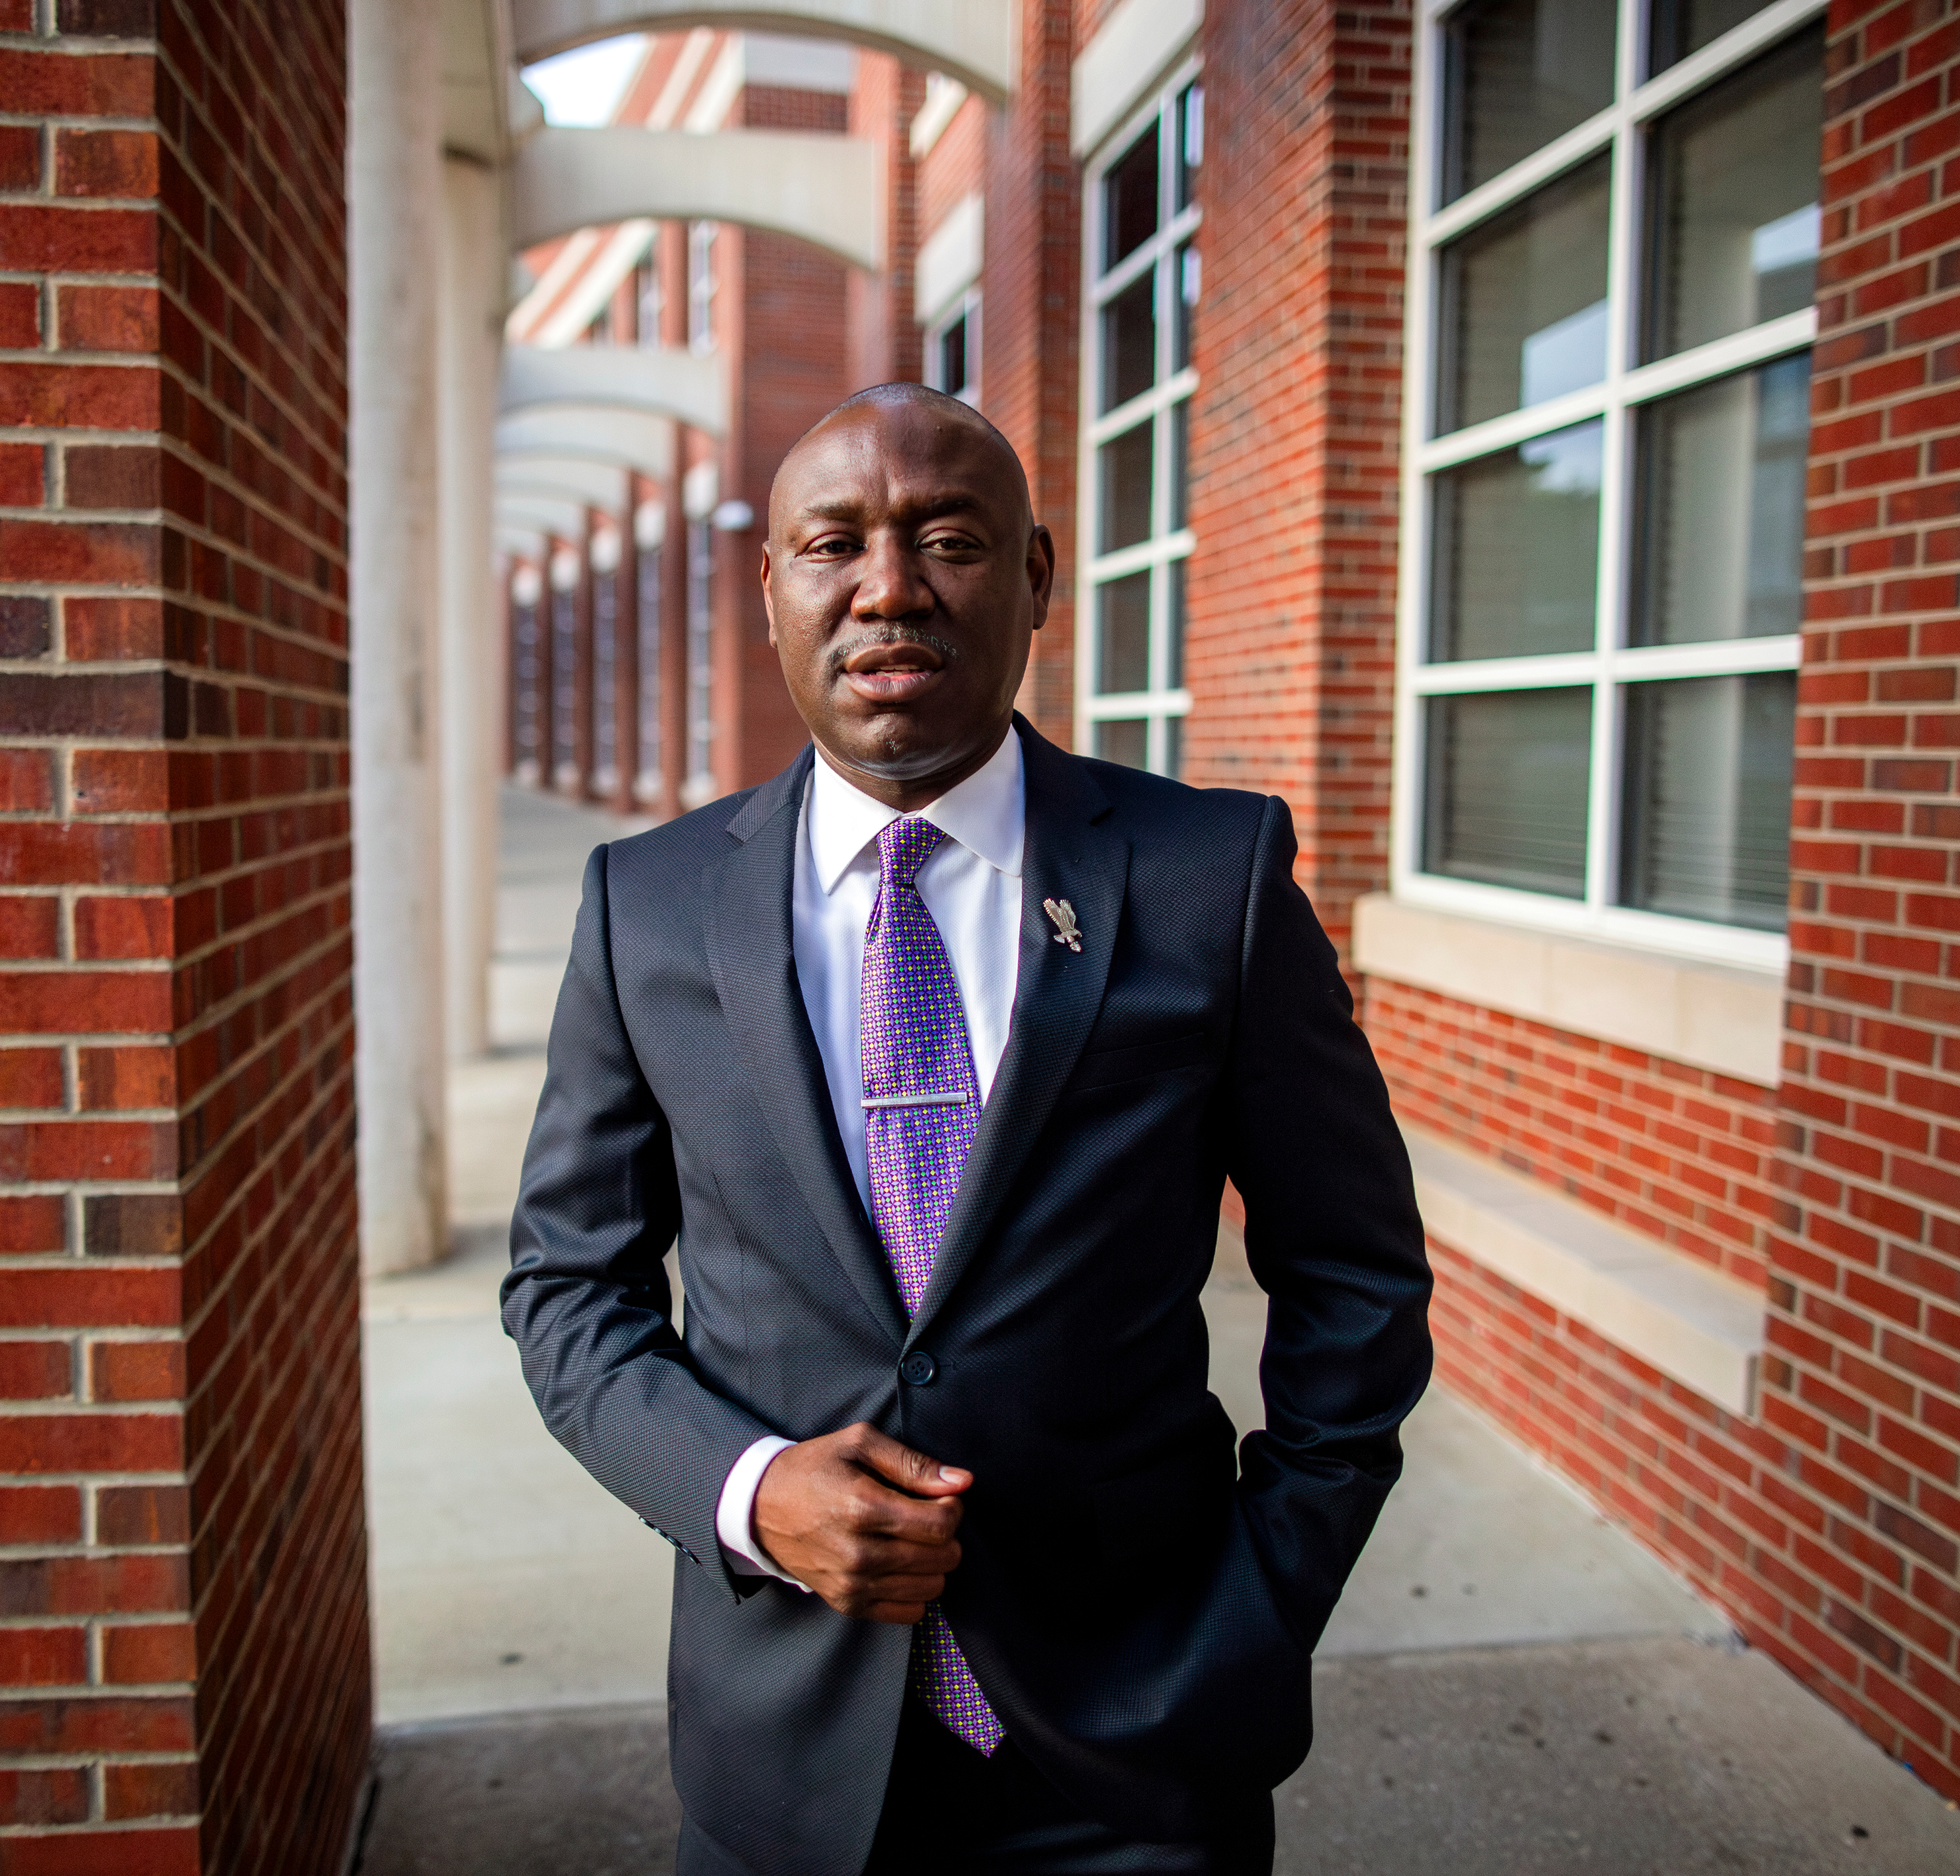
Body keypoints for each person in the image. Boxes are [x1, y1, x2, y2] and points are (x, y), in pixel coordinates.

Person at [502, 383, 1431, 1876]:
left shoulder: (1212, 876)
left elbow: (1356, 1275)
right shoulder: (645, 906)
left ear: (1038, 578)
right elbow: (565, 1289)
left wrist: (1268, 1591)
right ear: (772, 588)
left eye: (947, 537)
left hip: (1139, 1750)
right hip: (780, 1749)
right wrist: (745, 1493)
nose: (889, 588)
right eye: (834, 544)